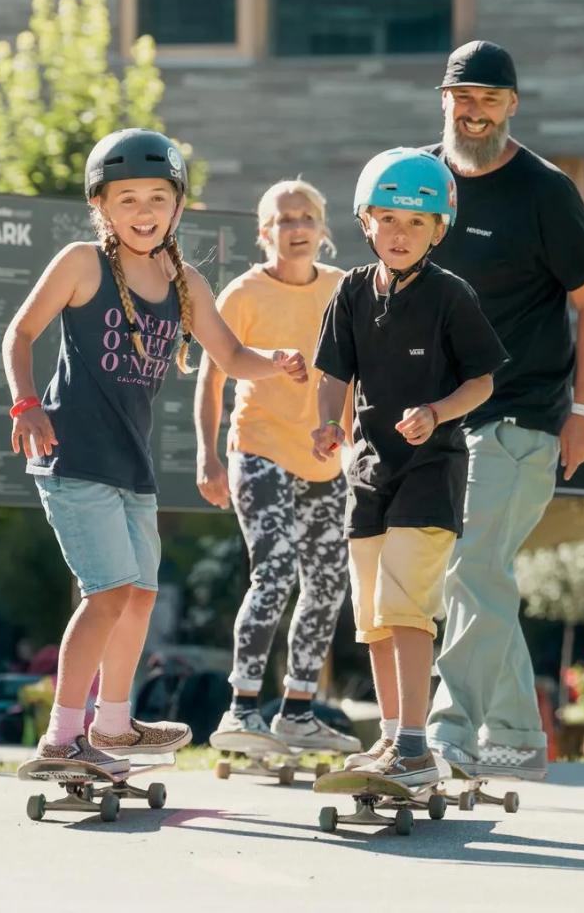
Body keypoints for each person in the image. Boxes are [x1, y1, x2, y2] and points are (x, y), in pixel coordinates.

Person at [5, 127, 309, 773]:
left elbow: (229, 354)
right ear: (102, 207)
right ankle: (61, 737)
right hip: (72, 456)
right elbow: (19, 332)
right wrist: (26, 403)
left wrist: (277, 363)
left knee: (141, 594)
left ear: (177, 205)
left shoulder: (183, 279)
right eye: (127, 200)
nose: (143, 212)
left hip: (131, 465)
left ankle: (114, 726)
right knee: (108, 592)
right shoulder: (81, 263)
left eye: (156, 198)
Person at [423, 41, 584, 782]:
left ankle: (446, 731)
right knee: (475, 574)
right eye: (462, 99)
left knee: (473, 569)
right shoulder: (417, 180)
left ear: (512, 106)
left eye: (489, 101)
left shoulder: (545, 191)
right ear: (443, 98)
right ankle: (516, 736)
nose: (474, 114)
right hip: (435, 416)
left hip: (520, 413)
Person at [309, 147, 508, 788]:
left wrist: (438, 411)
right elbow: (334, 372)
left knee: (405, 607)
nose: (400, 233)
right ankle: (394, 739)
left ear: (439, 230)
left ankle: (418, 747)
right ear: (365, 221)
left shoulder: (452, 296)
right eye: (388, 219)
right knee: (371, 617)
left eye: (416, 223)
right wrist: (325, 425)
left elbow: (482, 381)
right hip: (367, 469)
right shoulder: (348, 290)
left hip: (432, 468)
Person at [195, 179, 359, 754]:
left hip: (323, 457)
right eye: (284, 220)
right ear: (265, 233)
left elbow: (362, 370)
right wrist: (208, 456)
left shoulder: (345, 288)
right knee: (277, 569)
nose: (295, 229)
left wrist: (352, 439)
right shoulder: (242, 293)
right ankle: (241, 710)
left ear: (322, 229)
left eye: (306, 217)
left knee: (328, 582)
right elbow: (213, 376)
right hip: (258, 447)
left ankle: (296, 710)